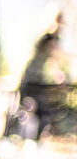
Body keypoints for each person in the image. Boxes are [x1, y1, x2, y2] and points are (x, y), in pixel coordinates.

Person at [15, 11, 75, 142]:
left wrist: (61, 77)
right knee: (32, 110)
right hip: (32, 80)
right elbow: (57, 54)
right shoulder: (47, 38)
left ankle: (35, 141)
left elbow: (52, 62)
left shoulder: (54, 39)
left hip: (40, 81)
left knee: (45, 111)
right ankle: (23, 140)